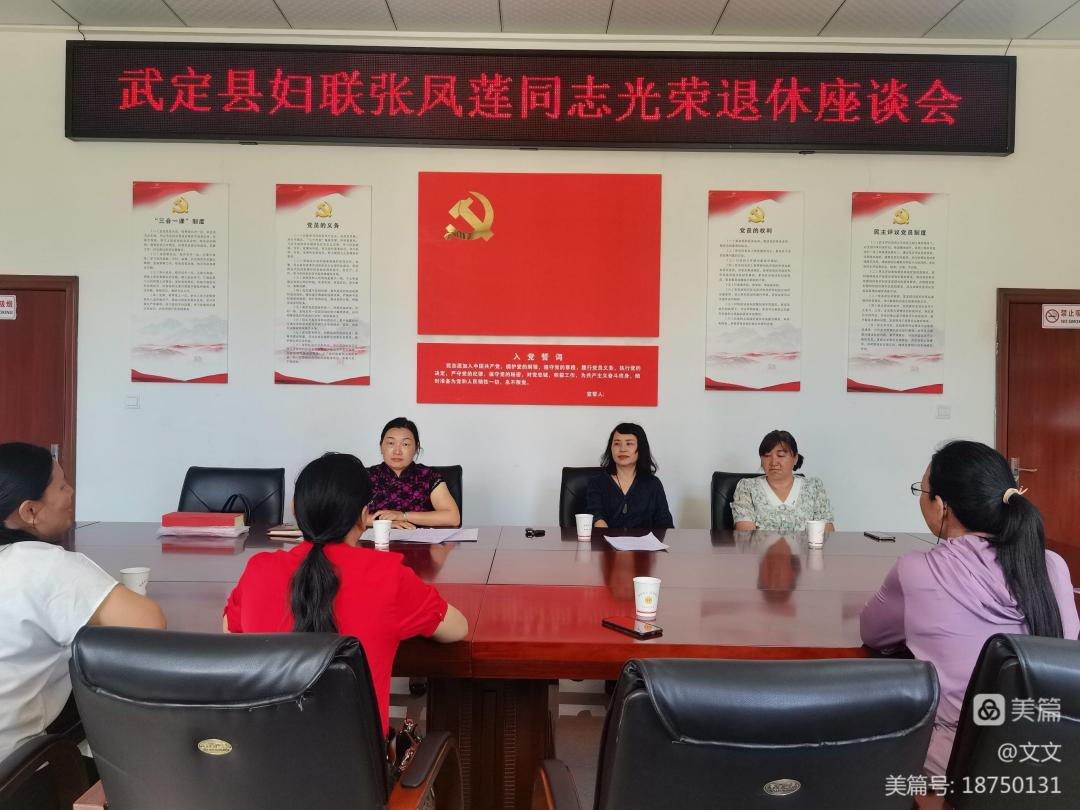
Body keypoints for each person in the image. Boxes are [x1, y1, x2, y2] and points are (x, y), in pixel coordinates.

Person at [860, 440, 1080, 776]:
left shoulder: (917, 570)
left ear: (942, 506)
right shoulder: (1053, 564)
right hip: (1055, 760)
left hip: (960, 768)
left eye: (923, 490)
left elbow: (873, 634)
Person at [223, 452, 468, 736]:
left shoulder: (259, 570)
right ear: (364, 515)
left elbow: (231, 631)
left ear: (296, 510)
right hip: (356, 762)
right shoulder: (386, 574)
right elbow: (457, 628)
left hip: (262, 756)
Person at [0, 442, 166, 762]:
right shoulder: (43, 565)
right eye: (61, 486)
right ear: (29, 511)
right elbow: (149, 623)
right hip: (15, 772)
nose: (71, 492)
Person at [365, 418, 460, 529]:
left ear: (416, 448)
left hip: (420, 539)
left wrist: (403, 516)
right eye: (391, 443)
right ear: (381, 446)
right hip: (376, 539)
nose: (397, 451)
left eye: (405, 444)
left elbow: (453, 518)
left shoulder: (429, 476)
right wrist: (386, 524)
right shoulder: (366, 476)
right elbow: (349, 516)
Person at [731, 430, 834, 532]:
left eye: (780, 455)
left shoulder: (814, 487)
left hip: (808, 544)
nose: (773, 462)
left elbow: (827, 534)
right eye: (767, 456)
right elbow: (745, 536)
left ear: (795, 458)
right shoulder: (747, 488)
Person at [586, 423, 673, 529]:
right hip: (605, 539)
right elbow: (596, 516)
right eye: (617, 443)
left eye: (629, 443)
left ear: (641, 448)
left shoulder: (653, 484)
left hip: (644, 540)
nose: (622, 449)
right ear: (611, 448)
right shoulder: (597, 483)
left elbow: (665, 524)